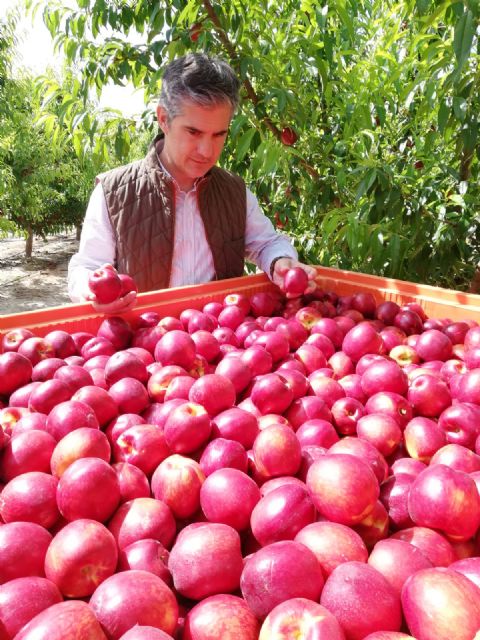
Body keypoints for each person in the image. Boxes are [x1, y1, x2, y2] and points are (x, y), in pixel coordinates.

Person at [68, 52, 316, 313]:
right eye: (193, 132)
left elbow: (266, 243)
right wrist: (90, 290)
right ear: (163, 119)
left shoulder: (234, 192)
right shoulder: (113, 192)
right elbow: (87, 267)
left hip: (220, 342)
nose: (206, 151)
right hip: (143, 344)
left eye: (218, 135)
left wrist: (281, 261)